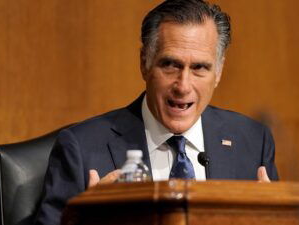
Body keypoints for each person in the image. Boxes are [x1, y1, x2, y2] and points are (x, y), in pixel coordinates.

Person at [35, 0, 278, 225]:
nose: (183, 86)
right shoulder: (82, 148)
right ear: (145, 63)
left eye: (199, 68)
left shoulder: (253, 142)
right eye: (170, 65)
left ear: (219, 71)